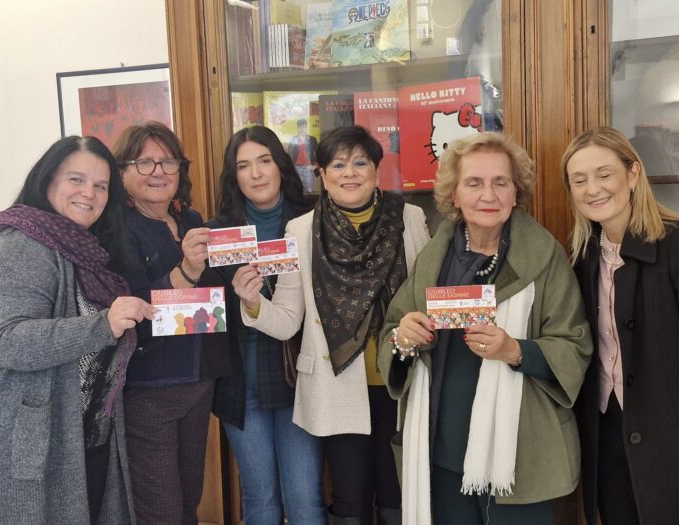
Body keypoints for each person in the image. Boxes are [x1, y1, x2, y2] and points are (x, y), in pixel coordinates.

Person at [379, 132, 592, 525]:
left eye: (500, 182)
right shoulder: (433, 256)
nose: (488, 195)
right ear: (454, 194)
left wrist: (515, 350)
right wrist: (404, 336)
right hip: (440, 453)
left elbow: (575, 346)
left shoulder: (544, 257)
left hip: (519, 458)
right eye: (474, 183)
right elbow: (394, 331)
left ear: (516, 192)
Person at [234, 125, 431, 524]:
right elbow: (288, 320)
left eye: (360, 162)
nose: (349, 173)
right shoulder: (301, 230)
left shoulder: (409, 219)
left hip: (400, 378)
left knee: (398, 493)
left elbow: (426, 296)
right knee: (349, 499)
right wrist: (253, 303)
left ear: (376, 169)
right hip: (336, 384)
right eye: (338, 165)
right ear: (322, 175)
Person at [0, 136, 155, 524]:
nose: (89, 194)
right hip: (27, 445)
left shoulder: (82, 249)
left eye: (101, 186)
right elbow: (6, 341)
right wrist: (103, 324)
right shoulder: (19, 243)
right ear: (48, 180)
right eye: (76, 180)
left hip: (78, 439)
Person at [203, 125, 325, 524]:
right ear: (234, 176)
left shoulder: (311, 220)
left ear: (280, 166)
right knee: (260, 500)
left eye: (264, 161)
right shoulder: (218, 233)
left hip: (300, 380)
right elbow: (209, 315)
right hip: (242, 383)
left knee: (305, 499)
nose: (256, 173)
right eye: (243, 166)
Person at [112, 122, 231, 524]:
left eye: (168, 162)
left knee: (188, 503)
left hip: (199, 383)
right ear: (122, 171)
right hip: (151, 390)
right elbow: (133, 316)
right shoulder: (118, 231)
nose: (159, 171)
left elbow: (212, 300)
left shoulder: (191, 220)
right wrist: (187, 271)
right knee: (160, 512)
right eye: (144, 162)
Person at [561, 126, 679, 525]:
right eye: (579, 180)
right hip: (607, 432)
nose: (592, 189)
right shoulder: (582, 257)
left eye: (604, 174)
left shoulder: (674, 245)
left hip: (668, 437)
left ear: (632, 174)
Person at [287, 118, 318, 193]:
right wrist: (291, 167)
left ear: (306, 127)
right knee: (298, 189)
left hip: (308, 167)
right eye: (300, 127)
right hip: (297, 167)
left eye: (304, 127)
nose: (302, 129)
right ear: (298, 128)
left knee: (309, 190)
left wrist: (315, 166)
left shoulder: (312, 139)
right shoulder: (293, 139)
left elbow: (318, 153)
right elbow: (289, 153)